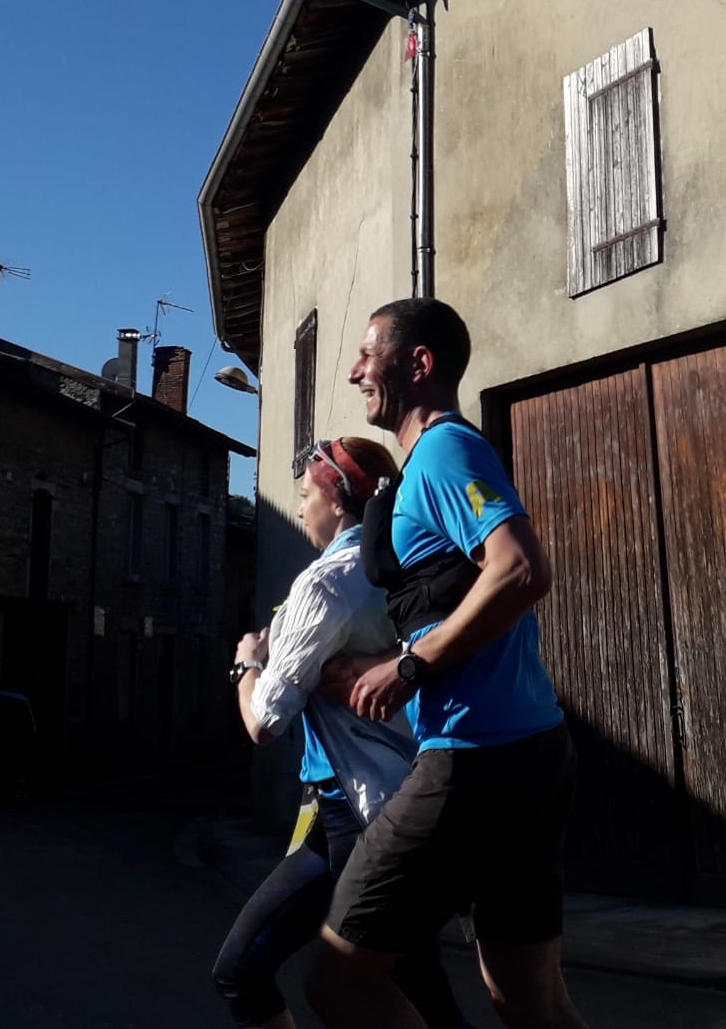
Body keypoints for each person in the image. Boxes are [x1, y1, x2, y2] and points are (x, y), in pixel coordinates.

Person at [307, 297, 590, 1029]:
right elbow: (464, 598)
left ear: (419, 364)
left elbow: (520, 569)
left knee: (338, 980)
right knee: (528, 999)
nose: (354, 372)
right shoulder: (431, 464)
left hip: (476, 759)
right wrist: (388, 661)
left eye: (367, 355)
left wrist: (409, 668)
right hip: (530, 751)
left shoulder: (444, 452)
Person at [212, 435, 467, 1029]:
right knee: (415, 992)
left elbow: (264, 722)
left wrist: (248, 664)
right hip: (364, 809)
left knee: (282, 977)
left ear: (336, 499)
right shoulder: (406, 567)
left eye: (305, 495)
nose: (300, 509)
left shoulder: (325, 582)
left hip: (362, 811)